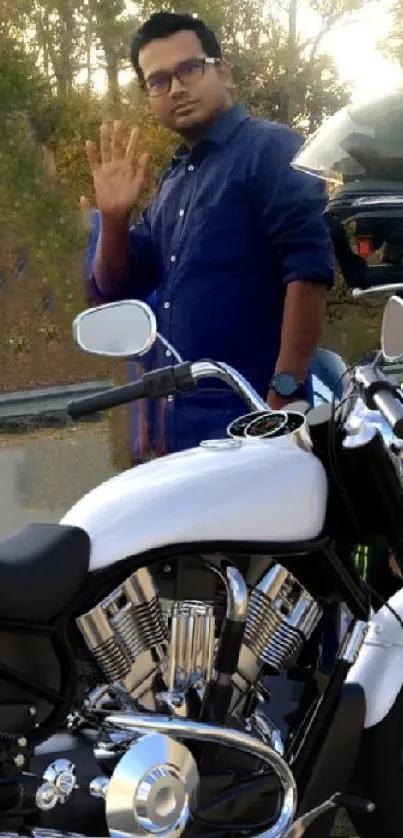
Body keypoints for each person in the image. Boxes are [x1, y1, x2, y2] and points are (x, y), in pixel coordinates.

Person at [85, 10, 335, 457]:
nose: (177, 88)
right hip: (182, 434)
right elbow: (116, 286)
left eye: (189, 68)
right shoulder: (173, 182)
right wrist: (115, 220)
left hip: (256, 422)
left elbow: (309, 273)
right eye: (158, 80)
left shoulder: (271, 149)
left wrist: (282, 398)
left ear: (224, 72)